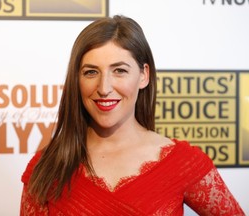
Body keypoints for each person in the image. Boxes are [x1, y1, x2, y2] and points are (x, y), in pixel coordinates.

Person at [20, 15, 244, 215]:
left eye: (119, 70)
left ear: (144, 75)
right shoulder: (47, 167)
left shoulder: (182, 162)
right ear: (76, 79)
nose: (104, 87)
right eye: (91, 72)